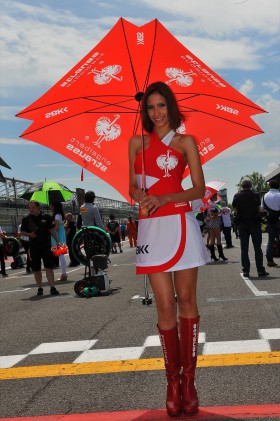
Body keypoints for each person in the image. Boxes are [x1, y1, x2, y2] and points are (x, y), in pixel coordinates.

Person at [129, 81, 209, 417]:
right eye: (150, 107)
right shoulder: (136, 143)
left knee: (187, 300)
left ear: (171, 107)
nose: (156, 112)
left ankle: (189, 382)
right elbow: (131, 184)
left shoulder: (186, 141)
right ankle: (171, 382)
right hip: (151, 226)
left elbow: (199, 188)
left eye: (161, 106)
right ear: (144, 111)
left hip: (180, 223)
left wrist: (165, 197)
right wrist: (140, 195)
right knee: (164, 304)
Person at [20, 201, 60, 296]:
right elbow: (22, 231)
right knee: (36, 269)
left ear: (38, 207)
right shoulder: (26, 219)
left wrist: (58, 242)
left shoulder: (46, 217)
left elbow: (52, 230)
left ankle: (52, 287)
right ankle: (40, 288)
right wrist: (29, 234)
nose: (31, 209)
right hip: (33, 247)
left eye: (33, 207)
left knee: (49, 267)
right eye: (29, 208)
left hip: (46, 246)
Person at [232, 177, 269, 278]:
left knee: (244, 248)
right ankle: (260, 270)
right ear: (251, 185)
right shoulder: (256, 195)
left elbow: (235, 211)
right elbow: (260, 209)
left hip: (243, 225)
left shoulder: (237, 196)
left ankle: (246, 271)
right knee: (257, 248)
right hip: (255, 223)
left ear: (242, 185)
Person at [261, 179, 280, 267]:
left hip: (269, 221)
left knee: (270, 240)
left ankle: (270, 260)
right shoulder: (279, 195)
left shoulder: (264, 196)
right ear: (278, 187)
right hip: (279, 220)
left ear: (270, 186)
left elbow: (261, 209)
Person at [50, 201, 67, 281]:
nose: (51, 207)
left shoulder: (57, 215)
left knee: (61, 254)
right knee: (61, 254)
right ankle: (64, 274)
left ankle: (64, 274)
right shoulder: (60, 215)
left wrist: (50, 227)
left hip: (57, 235)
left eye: (52, 205)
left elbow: (56, 228)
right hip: (61, 234)